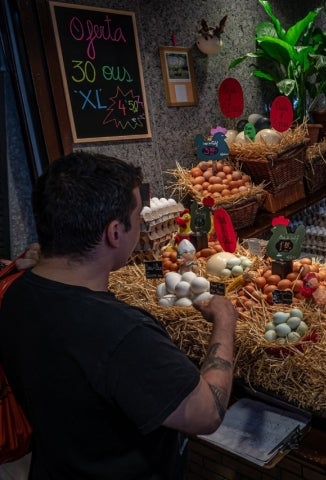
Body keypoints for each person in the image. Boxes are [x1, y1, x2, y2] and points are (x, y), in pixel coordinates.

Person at [0, 151, 238, 478]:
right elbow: (207, 413)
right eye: (137, 217)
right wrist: (225, 323)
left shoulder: (14, 294)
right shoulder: (123, 333)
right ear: (115, 232)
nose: (140, 226)